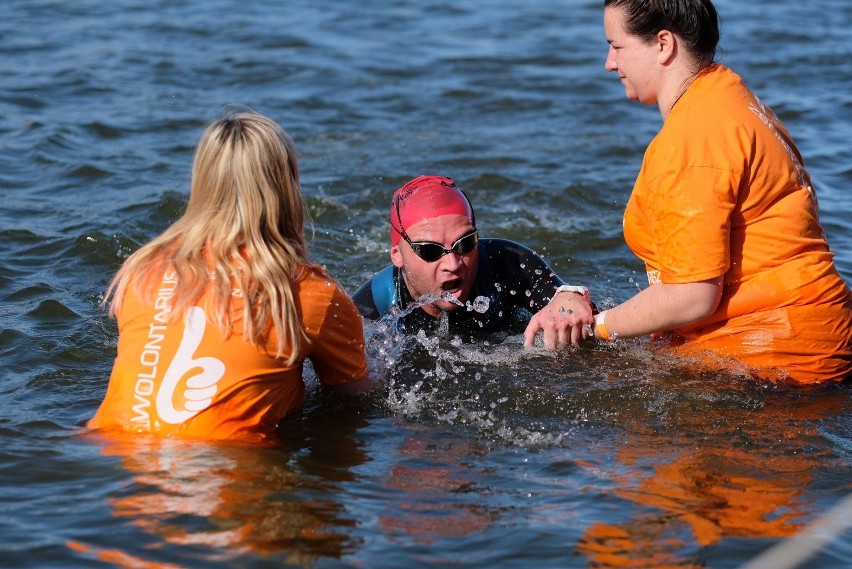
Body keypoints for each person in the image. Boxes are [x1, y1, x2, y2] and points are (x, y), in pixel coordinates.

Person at [561, 0, 852, 383]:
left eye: (617, 46)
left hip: (777, 362)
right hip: (811, 335)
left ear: (663, 44)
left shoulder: (693, 138)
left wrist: (594, 328)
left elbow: (692, 296)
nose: (609, 63)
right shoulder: (728, 94)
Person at [88, 111, 370, 442]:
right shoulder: (310, 294)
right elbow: (356, 399)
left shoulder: (143, 271)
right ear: (286, 189)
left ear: (202, 184)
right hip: (230, 470)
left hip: (115, 461)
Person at [352, 174, 594, 344]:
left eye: (465, 244)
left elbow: (573, 304)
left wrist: (570, 298)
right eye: (429, 250)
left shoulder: (508, 263)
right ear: (397, 255)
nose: (453, 264)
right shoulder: (372, 304)